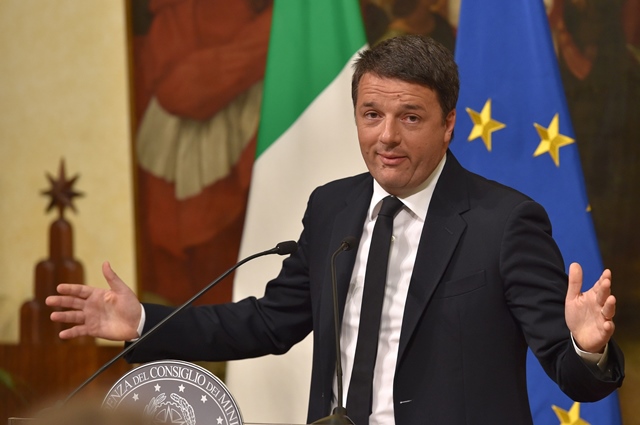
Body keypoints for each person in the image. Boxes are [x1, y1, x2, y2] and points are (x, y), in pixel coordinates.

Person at [46, 35, 624, 425]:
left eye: (411, 118)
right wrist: (143, 321)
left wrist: (587, 348)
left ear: (449, 125)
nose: (386, 137)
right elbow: (268, 323)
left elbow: (574, 375)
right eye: (372, 115)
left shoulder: (504, 223)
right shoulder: (332, 208)